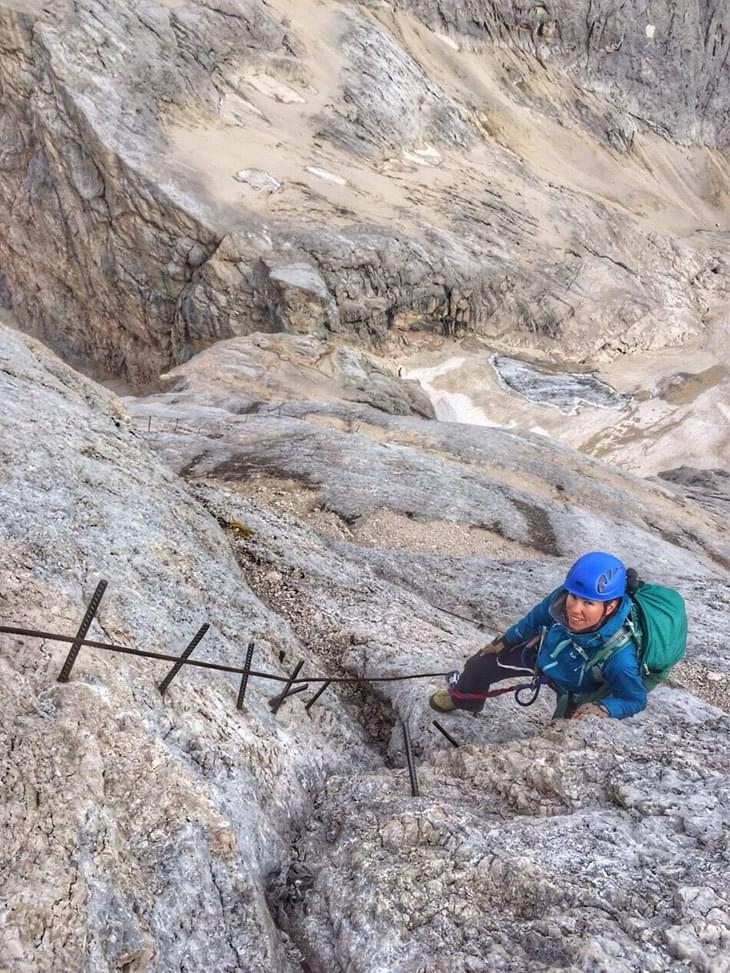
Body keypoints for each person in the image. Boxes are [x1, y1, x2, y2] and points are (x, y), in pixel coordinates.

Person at [430, 552, 648, 720]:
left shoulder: (620, 658)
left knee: (565, 730)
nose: (574, 608)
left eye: (588, 603)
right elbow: (538, 617)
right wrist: (507, 640)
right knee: (479, 665)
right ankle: (465, 701)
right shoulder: (563, 598)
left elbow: (635, 699)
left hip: (581, 685)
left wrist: (605, 707)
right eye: (574, 596)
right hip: (549, 652)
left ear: (610, 607)